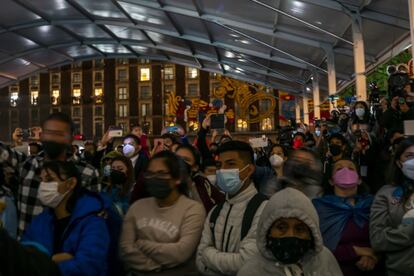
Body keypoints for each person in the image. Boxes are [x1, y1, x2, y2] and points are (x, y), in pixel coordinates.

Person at [120, 151, 206, 274]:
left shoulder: (193, 209)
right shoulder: (137, 207)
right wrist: (152, 266)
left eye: (161, 173)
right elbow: (125, 249)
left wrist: (141, 244)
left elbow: (180, 253)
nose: (154, 179)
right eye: (150, 174)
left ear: (177, 178)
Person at [15, 112, 100, 234]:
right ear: (42, 136)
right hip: (25, 248)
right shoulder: (26, 165)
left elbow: (91, 223)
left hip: (66, 250)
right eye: (49, 133)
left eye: (59, 134)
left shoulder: (88, 173)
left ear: (71, 138)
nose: (52, 138)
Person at [21, 161, 109, 276]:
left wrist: (46, 265)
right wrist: (53, 261)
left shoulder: (92, 223)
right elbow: (22, 259)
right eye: (41, 180)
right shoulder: (40, 221)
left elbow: (89, 266)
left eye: (49, 179)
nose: (42, 186)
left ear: (71, 183)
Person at [196, 141, 267, 275]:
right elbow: (200, 259)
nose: (222, 170)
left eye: (231, 164)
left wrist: (208, 256)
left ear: (249, 169)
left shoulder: (263, 208)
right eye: (219, 165)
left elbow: (247, 262)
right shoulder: (215, 212)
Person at [238, 187, 342, 276]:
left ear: (311, 233)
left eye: (300, 229)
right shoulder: (251, 271)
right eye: (281, 228)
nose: (290, 235)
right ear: (267, 231)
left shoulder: (324, 260)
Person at [313, 159, 381, 275]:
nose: (345, 171)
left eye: (351, 168)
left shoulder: (374, 204)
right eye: (339, 169)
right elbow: (317, 248)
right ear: (331, 181)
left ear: (359, 180)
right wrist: (356, 251)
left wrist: (374, 257)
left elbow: (383, 240)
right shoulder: (319, 207)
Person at [370, 137, 414, 276]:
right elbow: (378, 240)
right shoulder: (386, 194)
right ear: (398, 163)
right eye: (409, 156)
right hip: (402, 270)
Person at [176, 144, 224, 212]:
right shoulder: (162, 183)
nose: (179, 162)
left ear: (195, 167)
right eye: (176, 158)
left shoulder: (202, 184)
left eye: (185, 159)